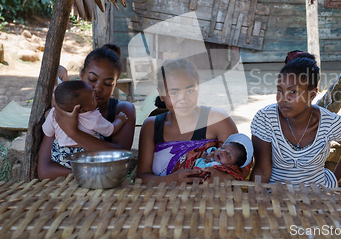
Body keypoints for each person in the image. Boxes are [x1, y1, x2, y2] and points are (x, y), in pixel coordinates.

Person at [250, 52, 341, 188]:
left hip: (318, 199)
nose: (283, 98)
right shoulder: (266, 118)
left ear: (312, 94)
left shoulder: (329, 123)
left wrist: (334, 179)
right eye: (280, 91)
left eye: (293, 92)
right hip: (275, 197)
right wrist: (255, 204)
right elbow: (262, 171)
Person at [38, 45, 137, 180]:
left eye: (108, 83)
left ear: (115, 84)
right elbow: (45, 171)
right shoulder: (63, 108)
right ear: (81, 74)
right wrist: (96, 174)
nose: (98, 88)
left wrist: (73, 132)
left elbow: (120, 162)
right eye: (92, 79)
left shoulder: (123, 111)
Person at [136, 58, 241, 185]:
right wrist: (169, 180)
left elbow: (242, 165)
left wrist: (223, 178)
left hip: (211, 201)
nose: (183, 99)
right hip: (163, 202)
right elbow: (142, 177)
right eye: (174, 92)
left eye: (190, 90)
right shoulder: (152, 127)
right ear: (161, 95)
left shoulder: (218, 121)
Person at [43, 81, 128, 168]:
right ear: (82, 110)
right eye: (93, 99)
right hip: (85, 156)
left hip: (61, 156)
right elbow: (110, 130)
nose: (95, 97)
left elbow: (48, 132)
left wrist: (48, 118)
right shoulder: (92, 117)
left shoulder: (54, 113)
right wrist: (119, 120)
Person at [166, 133, 254, 181]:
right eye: (222, 148)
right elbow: (211, 149)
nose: (222, 152)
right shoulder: (212, 152)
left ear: (233, 165)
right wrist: (209, 153)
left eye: (228, 154)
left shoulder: (222, 169)